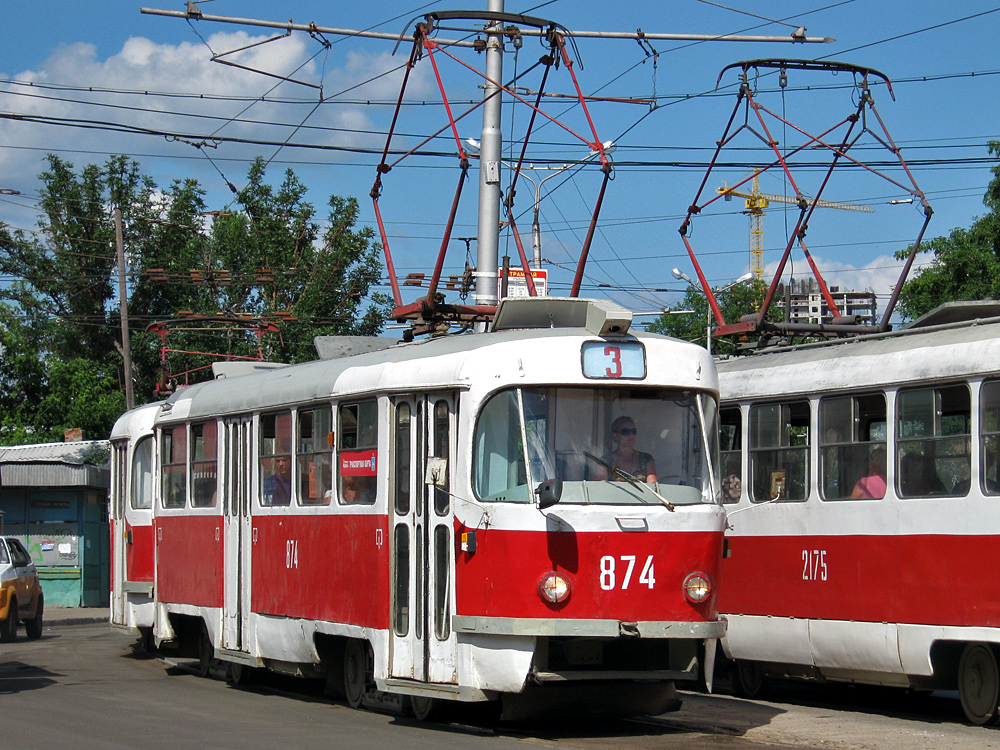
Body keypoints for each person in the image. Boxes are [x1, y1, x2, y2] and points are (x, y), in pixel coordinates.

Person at [594, 416, 657, 483]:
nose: (631, 435)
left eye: (633, 431)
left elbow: (653, 485)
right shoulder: (605, 462)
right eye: (625, 431)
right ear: (615, 435)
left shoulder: (646, 459)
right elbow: (601, 487)